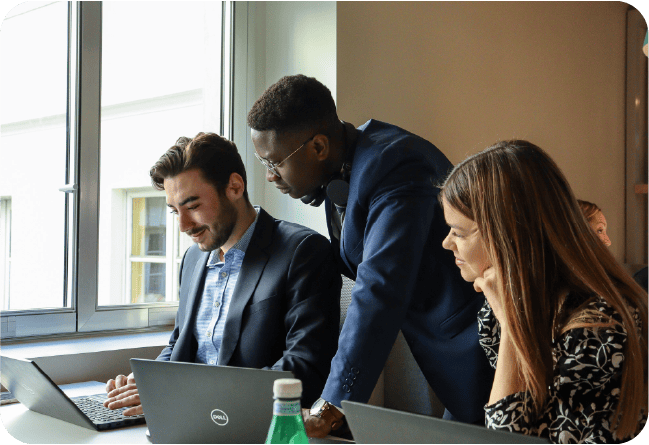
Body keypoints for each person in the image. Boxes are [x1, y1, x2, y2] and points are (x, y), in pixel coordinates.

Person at [247, 74, 494, 436]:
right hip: (443, 353)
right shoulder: (342, 170)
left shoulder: (394, 165)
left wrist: (331, 405)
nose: (270, 177)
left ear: (318, 147)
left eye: (274, 163)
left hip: (481, 348)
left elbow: (378, 289)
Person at [103, 132, 341, 415]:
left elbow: (305, 365)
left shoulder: (303, 251)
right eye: (174, 211)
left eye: (193, 206)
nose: (183, 225)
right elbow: (181, 343)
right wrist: (149, 382)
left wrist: (189, 396)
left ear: (235, 187)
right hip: (187, 418)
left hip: (254, 424)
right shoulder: (193, 259)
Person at [440, 140, 649, 443]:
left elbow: (508, 441)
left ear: (506, 235)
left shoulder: (598, 328)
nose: (447, 243)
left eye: (458, 232)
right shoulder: (495, 312)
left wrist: (511, 322)